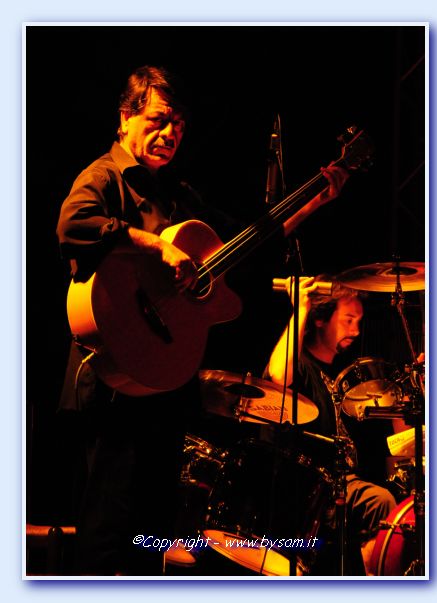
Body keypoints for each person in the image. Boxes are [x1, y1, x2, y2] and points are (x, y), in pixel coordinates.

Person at [56, 65, 349, 576]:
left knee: (151, 533)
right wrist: (157, 246)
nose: (169, 133)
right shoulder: (105, 176)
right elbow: (74, 224)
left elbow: (246, 244)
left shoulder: (177, 194)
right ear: (125, 118)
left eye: (178, 125)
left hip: (165, 384)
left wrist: (312, 202)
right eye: (158, 119)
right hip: (111, 381)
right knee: (105, 532)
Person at [266, 275, 396, 575]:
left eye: (358, 321)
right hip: (309, 485)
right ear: (320, 319)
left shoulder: (337, 375)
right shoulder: (299, 365)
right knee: (380, 502)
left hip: (339, 483)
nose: (356, 330)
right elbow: (277, 375)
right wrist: (301, 308)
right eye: (348, 320)